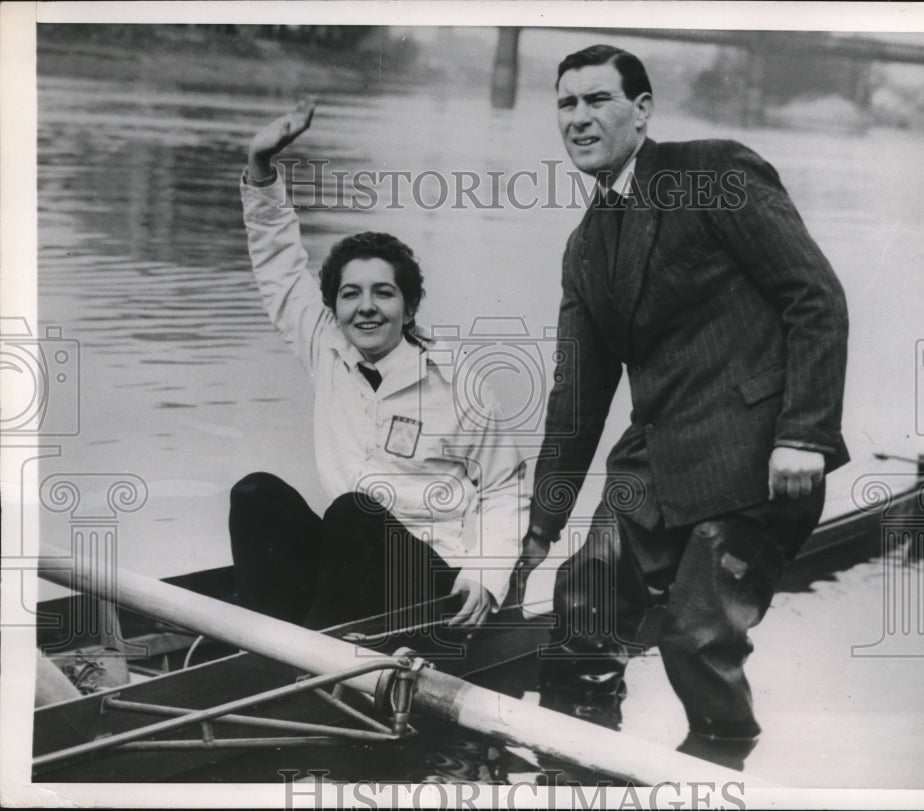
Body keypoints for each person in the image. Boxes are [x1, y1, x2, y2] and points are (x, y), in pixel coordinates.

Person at [520, 45, 850, 769]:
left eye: (598, 100)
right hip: (658, 460)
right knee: (583, 597)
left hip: (758, 453)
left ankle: (725, 763)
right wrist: (540, 527)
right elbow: (576, 401)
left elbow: (816, 298)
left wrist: (804, 435)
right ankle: (575, 767)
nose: (579, 118)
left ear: (641, 111)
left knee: (696, 637)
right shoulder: (584, 249)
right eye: (566, 103)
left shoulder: (715, 172)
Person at [233, 100, 525, 631]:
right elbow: (278, 265)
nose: (365, 307)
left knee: (353, 512)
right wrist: (260, 167)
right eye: (351, 295)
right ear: (335, 309)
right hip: (355, 561)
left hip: (431, 582)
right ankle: (263, 641)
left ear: (409, 307)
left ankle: (306, 659)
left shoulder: (459, 382)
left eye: (383, 293)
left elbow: (505, 488)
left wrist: (486, 573)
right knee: (256, 494)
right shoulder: (326, 345)